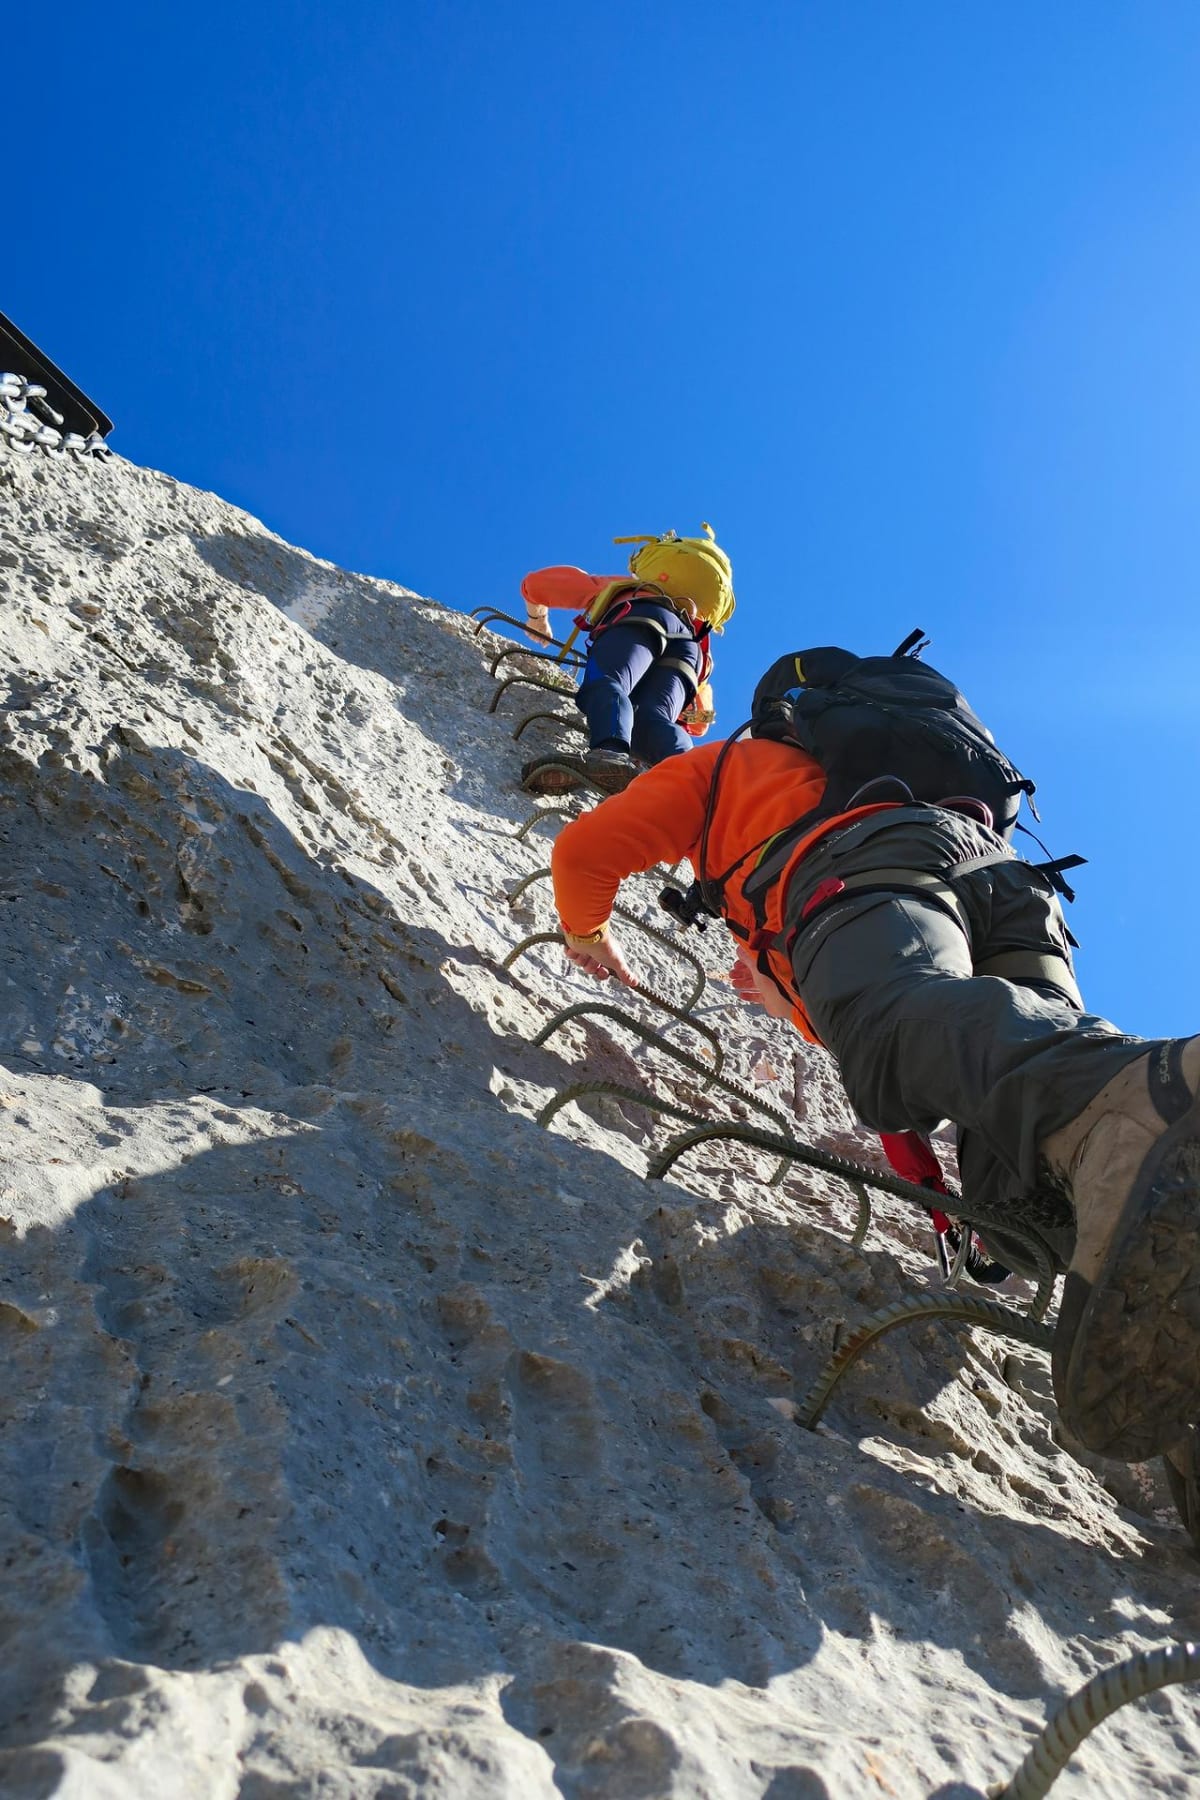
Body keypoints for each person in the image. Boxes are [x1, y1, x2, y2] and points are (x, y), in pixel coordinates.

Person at [548, 678, 1200, 1522]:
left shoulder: (729, 767)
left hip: (865, 864)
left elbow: (584, 854)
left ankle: (1149, 1095)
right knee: (1032, 1181)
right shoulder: (896, 780)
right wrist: (802, 997)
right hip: (1010, 888)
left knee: (913, 1035)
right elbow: (919, 1056)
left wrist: (585, 934)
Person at [520, 524, 732, 794]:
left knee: (608, 682)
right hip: (688, 657)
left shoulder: (629, 588)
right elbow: (701, 722)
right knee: (651, 721)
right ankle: (694, 790)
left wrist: (536, 618)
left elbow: (537, 584)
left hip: (640, 616)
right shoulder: (701, 638)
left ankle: (609, 754)